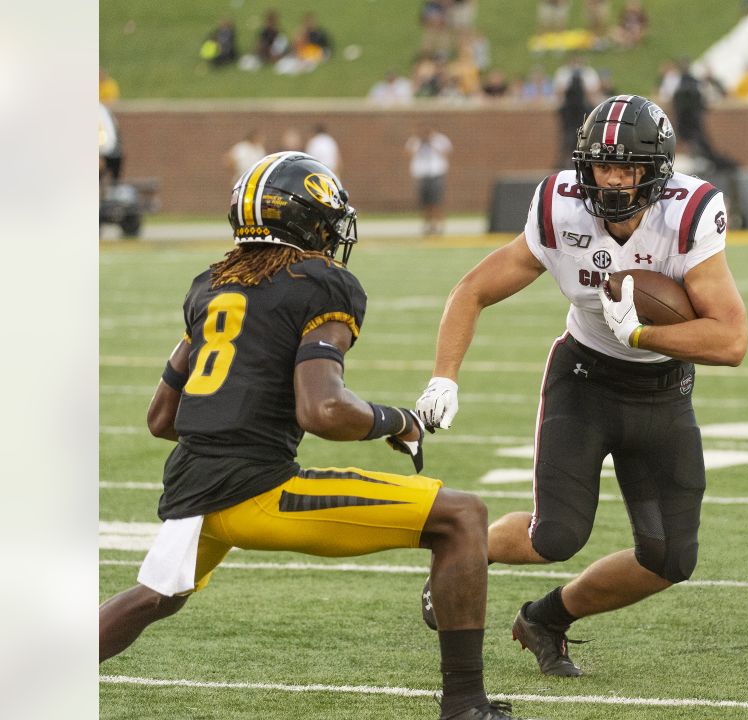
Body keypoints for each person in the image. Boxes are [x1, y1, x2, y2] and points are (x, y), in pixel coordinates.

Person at [97, 151, 522, 720]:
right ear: (309, 223)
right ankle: (466, 705)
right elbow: (321, 410)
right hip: (257, 490)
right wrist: (400, 420)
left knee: (154, 598)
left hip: (192, 491)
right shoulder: (322, 283)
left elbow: (161, 418)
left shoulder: (211, 284)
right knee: (464, 516)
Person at [415, 95, 748, 677]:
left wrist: (642, 335)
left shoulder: (689, 211)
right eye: (602, 165)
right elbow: (471, 290)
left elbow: (731, 341)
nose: (613, 180)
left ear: (656, 170)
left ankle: (545, 619)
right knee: (555, 536)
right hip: (584, 380)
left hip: (662, 391)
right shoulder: (559, 206)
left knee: (670, 558)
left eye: (627, 167)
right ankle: (463, 552)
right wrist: (443, 378)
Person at [406, 125, 454, 236]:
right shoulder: (415, 141)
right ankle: (427, 225)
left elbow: (447, 152)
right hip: (422, 176)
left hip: (436, 175)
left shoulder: (439, 140)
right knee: (424, 203)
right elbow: (408, 153)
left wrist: (432, 145)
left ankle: (438, 225)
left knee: (437, 202)